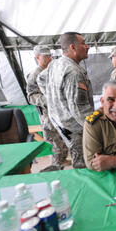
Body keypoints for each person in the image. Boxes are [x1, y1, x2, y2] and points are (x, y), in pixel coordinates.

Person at [37, 32, 94, 169]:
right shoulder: (73, 72)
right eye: (84, 43)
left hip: (61, 123)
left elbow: (41, 78)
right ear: (73, 47)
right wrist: (97, 129)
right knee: (84, 165)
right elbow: (80, 110)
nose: (88, 47)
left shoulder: (55, 64)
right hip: (76, 130)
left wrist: (54, 99)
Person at [26, 45, 68, 171]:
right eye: (46, 56)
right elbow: (31, 97)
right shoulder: (34, 75)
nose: (49, 58)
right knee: (53, 140)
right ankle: (56, 165)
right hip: (47, 114)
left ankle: (62, 159)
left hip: (59, 112)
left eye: (50, 55)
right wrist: (49, 100)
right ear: (37, 57)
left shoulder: (52, 70)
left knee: (62, 137)